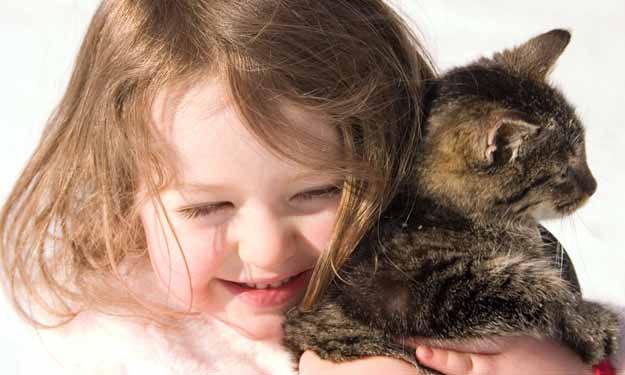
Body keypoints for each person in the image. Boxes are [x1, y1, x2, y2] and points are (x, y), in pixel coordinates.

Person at [0, 0, 621, 374]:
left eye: (318, 191)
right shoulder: (115, 354)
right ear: (122, 197)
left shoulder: (461, 268)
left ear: (395, 157)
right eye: (207, 206)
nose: (267, 250)